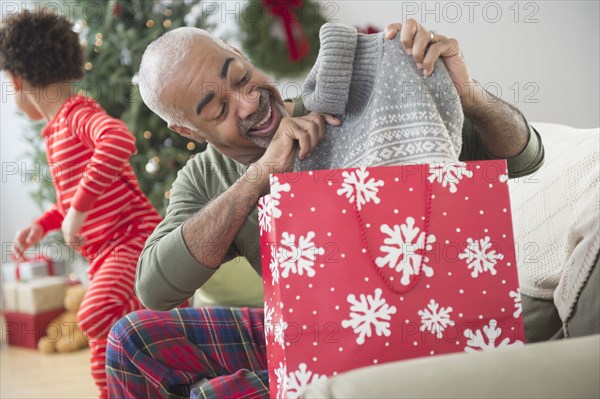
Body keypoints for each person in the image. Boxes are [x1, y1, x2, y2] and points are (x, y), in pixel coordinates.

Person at [105, 20, 545, 398]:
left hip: (414, 325)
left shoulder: (358, 111)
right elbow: (154, 290)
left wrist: (470, 96)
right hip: (311, 335)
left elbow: (524, 158)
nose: (248, 102)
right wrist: (260, 177)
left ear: (239, 53)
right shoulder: (206, 177)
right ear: (188, 129)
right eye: (219, 109)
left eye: (240, 77)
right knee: (132, 340)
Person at [0, 11, 163, 398]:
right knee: (106, 341)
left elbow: (119, 140)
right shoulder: (54, 131)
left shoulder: (77, 114)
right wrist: (45, 222)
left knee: (91, 315)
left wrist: (77, 210)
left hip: (133, 240)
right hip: (107, 252)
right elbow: (72, 202)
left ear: (18, 81)